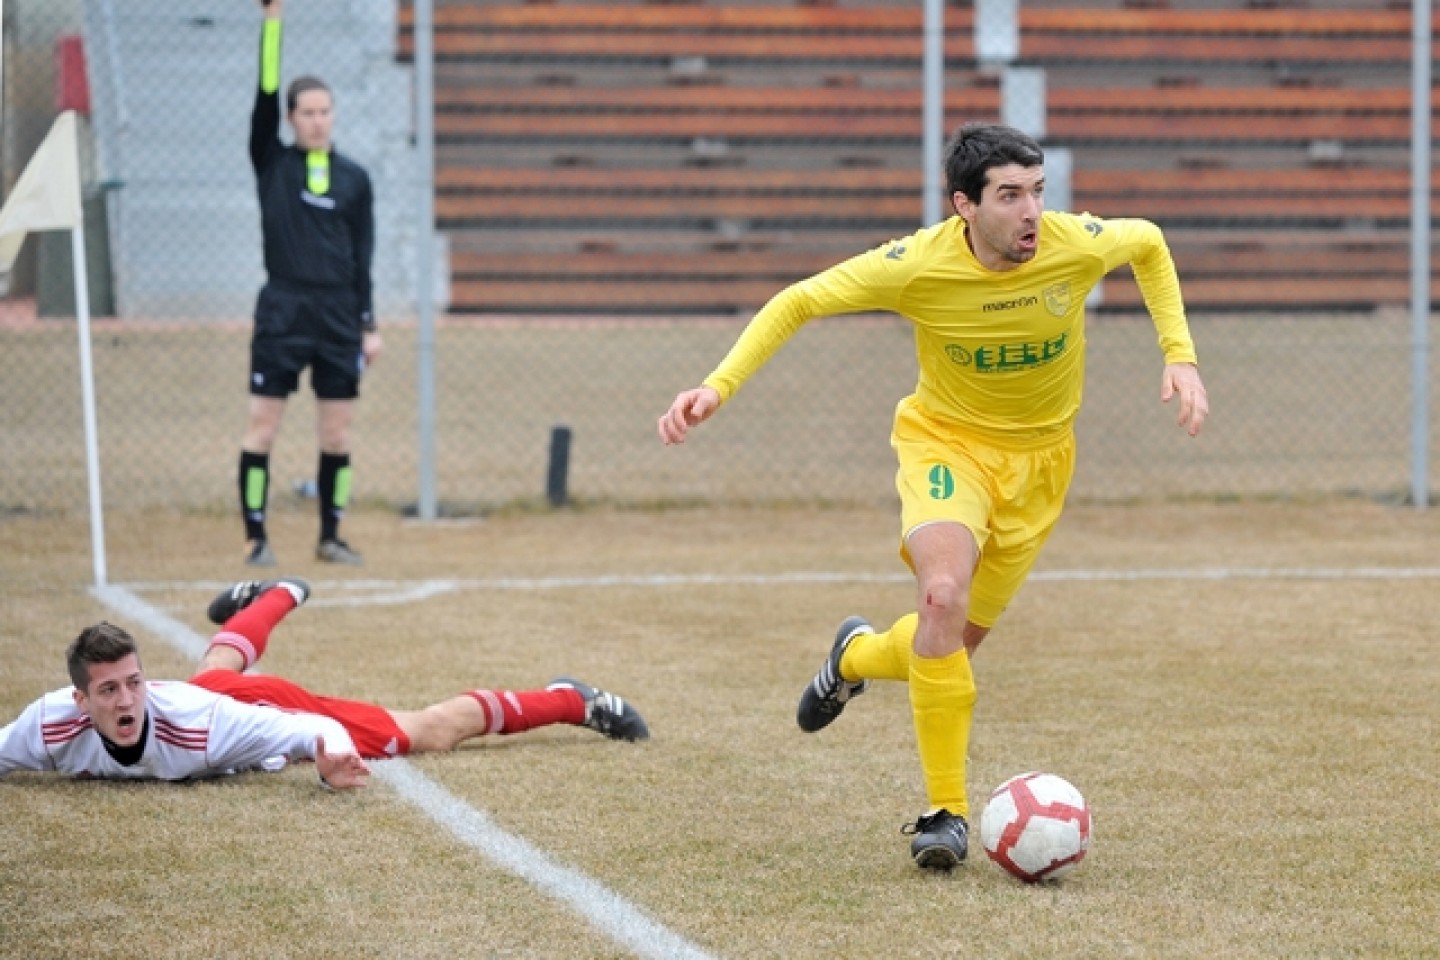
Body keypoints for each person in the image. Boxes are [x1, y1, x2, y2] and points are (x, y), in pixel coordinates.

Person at [657, 122, 1208, 871]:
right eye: (1009, 195)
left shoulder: (1074, 246)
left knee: (942, 645)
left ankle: (852, 657)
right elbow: (799, 300)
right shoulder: (917, 265)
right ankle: (944, 812)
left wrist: (1180, 356)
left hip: (1041, 467)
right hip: (946, 449)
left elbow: (1146, 242)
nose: (1031, 213)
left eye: (1038, 191)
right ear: (963, 206)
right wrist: (717, 386)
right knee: (942, 597)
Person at [0, 578, 649, 789]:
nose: (124, 700)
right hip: (209, 697)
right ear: (80, 701)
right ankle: (279, 591)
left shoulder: (204, 728)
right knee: (216, 673)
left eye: (131, 685)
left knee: (426, 732)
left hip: (247, 708)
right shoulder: (47, 725)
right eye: (108, 690)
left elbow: (307, 729)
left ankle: (574, 700)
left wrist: (331, 756)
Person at [238, 0, 381, 568]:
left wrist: (368, 323)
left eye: (326, 111)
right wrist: (273, 21)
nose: (318, 119)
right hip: (283, 310)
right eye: (308, 112)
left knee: (336, 435)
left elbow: (364, 255)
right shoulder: (271, 161)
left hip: (340, 315)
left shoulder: (355, 179)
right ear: (292, 118)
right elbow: (265, 94)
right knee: (262, 428)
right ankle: (256, 538)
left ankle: (331, 536)